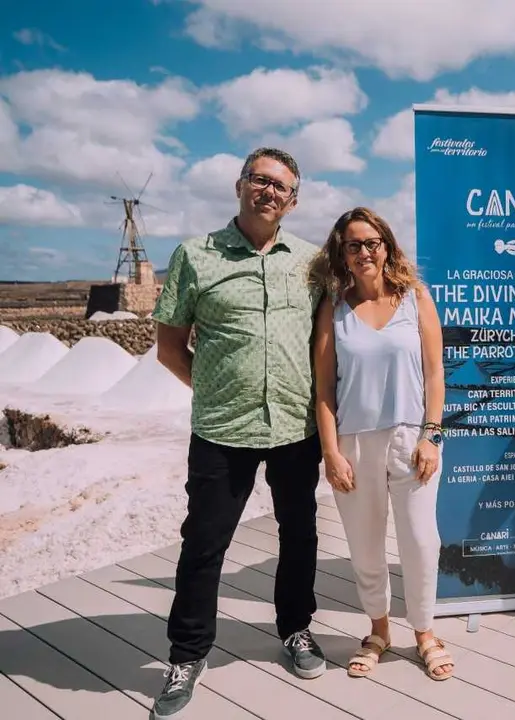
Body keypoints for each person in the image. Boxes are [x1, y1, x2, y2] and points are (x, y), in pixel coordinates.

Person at [150, 147, 326, 719]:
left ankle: (295, 629)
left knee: (299, 536)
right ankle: (187, 654)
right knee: (204, 545)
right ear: (240, 185)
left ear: (293, 201)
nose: (269, 192)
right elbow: (170, 348)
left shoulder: (311, 262)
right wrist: (217, 389)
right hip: (223, 431)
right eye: (260, 180)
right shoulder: (194, 257)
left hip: (296, 427)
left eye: (281, 187)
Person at [311, 207, 454, 681]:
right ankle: (377, 631)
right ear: (343, 254)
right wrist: (331, 453)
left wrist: (432, 436)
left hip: (413, 438)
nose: (364, 252)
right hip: (354, 444)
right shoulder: (334, 308)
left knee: (419, 541)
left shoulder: (415, 298)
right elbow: (325, 390)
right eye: (354, 245)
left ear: (387, 246)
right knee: (365, 546)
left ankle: (425, 632)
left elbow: (436, 374)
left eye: (372, 242)